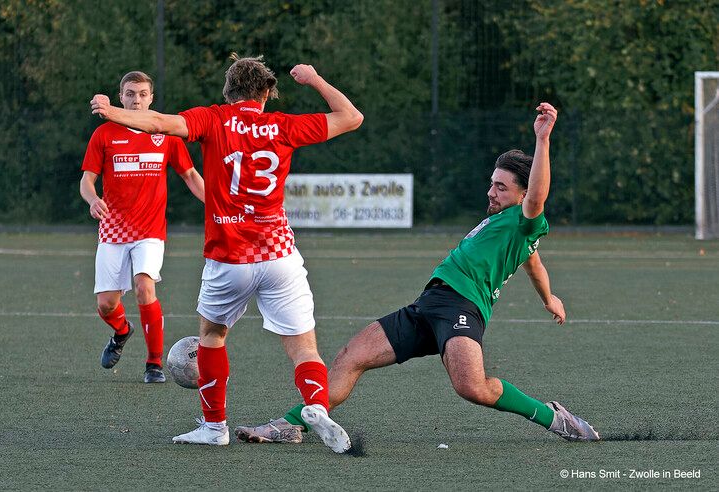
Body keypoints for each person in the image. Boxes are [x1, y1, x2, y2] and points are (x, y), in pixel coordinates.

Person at [234, 102, 601, 446]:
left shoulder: (524, 221)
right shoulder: (504, 226)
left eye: (501, 188)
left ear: (522, 195)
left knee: (472, 387)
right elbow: (534, 264)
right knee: (350, 357)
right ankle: (290, 424)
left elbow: (537, 200)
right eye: (492, 183)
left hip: (463, 307)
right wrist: (548, 297)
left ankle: (553, 418)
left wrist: (542, 138)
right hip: (428, 305)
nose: (491, 192)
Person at [90, 54, 363, 451]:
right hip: (279, 255)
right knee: (304, 346)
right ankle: (317, 405)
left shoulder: (213, 118)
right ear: (267, 92)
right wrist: (316, 79)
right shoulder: (284, 125)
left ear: (227, 91)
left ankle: (214, 427)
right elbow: (351, 117)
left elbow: (159, 123)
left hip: (229, 257)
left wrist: (113, 111)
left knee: (213, 336)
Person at [81, 70, 205, 384]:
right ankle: (122, 332)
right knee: (106, 304)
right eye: (130, 94)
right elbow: (86, 181)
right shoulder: (104, 134)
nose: (136, 100)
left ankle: (154, 364)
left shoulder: (165, 135)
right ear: (121, 97)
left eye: (142, 95)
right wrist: (93, 199)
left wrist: (216, 203)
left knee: (144, 286)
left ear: (151, 99)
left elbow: (190, 175)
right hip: (113, 229)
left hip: (150, 230)